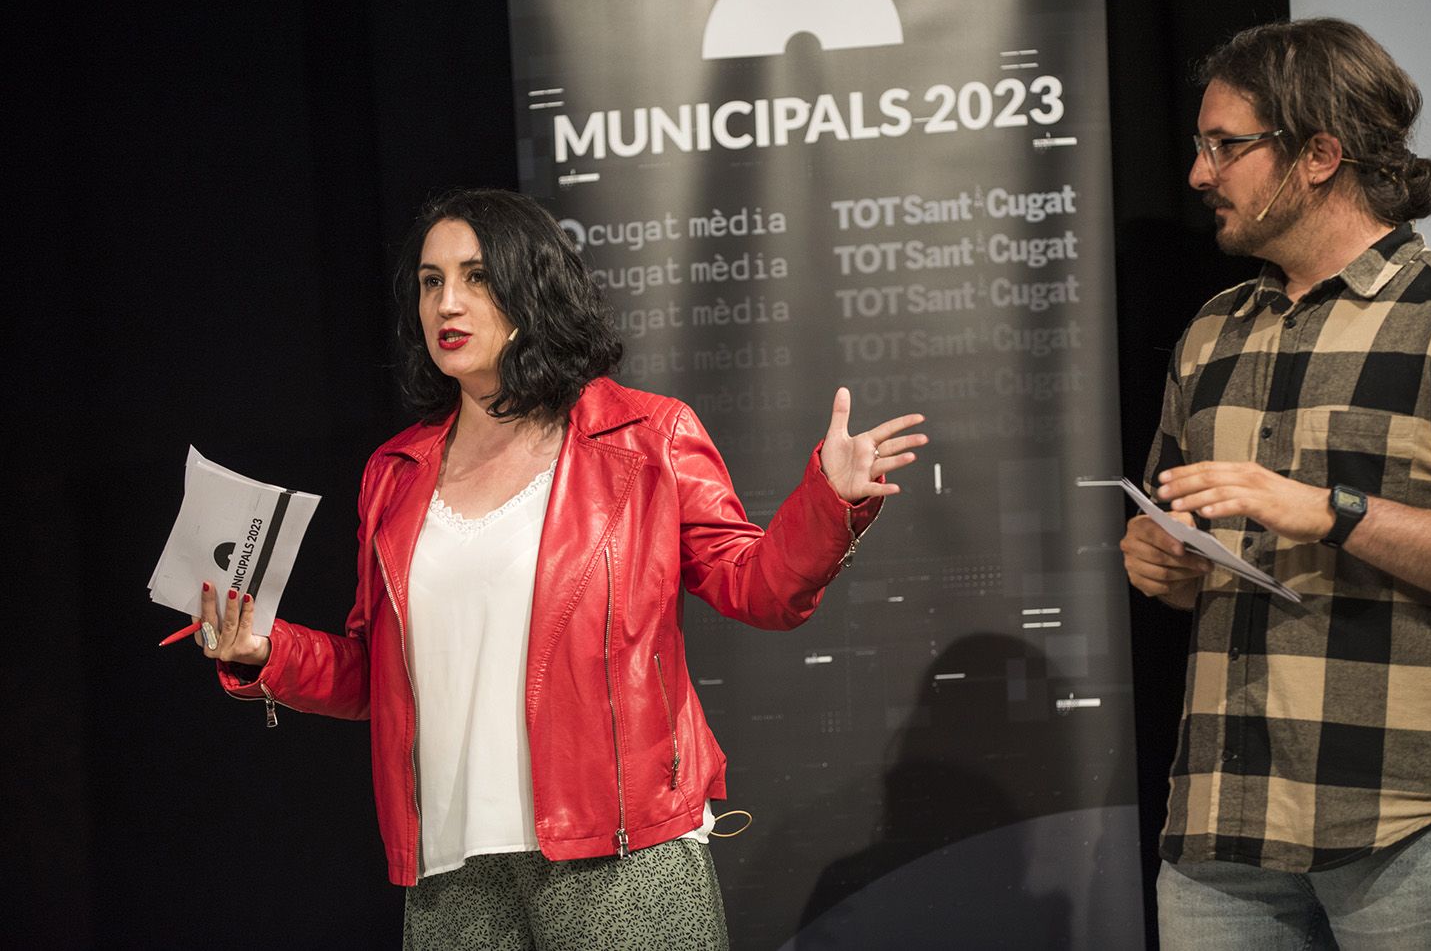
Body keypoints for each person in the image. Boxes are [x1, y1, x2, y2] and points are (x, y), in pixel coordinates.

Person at [189, 187, 928, 949]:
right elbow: (377, 674)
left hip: (620, 853)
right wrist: (267, 654)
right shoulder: (395, 473)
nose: (449, 302)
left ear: (533, 289)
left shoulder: (648, 438)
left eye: (477, 277)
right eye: (431, 280)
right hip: (450, 871)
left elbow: (759, 588)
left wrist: (829, 501)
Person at [1120, 18, 1431, 949]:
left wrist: (1330, 512)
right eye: (1197, 145)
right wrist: (1159, 560)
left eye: (1226, 145)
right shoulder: (1213, 333)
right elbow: (1175, 531)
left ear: (1319, 155)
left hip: (1420, 823)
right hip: (1227, 824)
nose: (1198, 173)